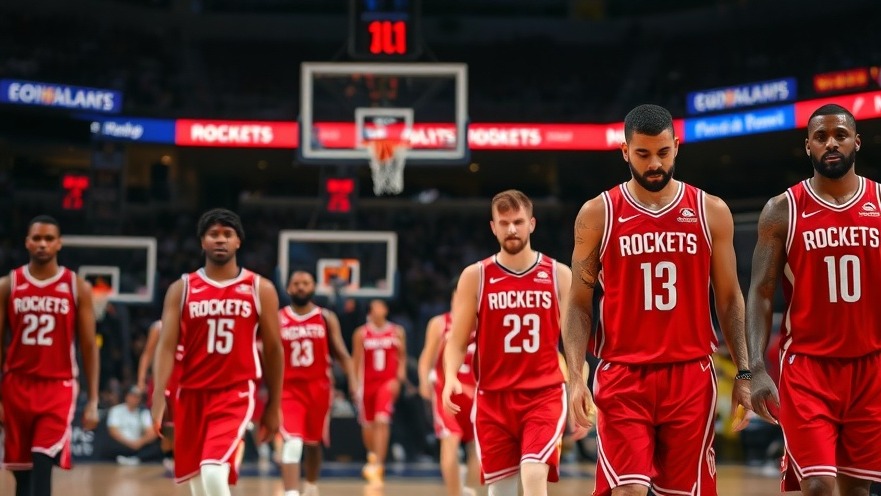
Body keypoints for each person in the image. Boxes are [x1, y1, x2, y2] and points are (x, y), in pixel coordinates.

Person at [561, 104, 751, 496]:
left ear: (677, 147)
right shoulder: (598, 213)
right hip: (623, 375)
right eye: (643, 154)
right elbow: (579, 302)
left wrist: (745, 373)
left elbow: (730, 299)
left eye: (663, 153)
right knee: (627, 490)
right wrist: (576, 376)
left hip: (690, 375)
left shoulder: (710, 211)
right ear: (625, 151)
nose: (654, 164)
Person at [747, 104, 881, 495]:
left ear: (856, 141)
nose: (831, 143)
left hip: (870, 367)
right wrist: (754, 368)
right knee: (819, 484)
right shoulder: (782, 210)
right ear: (808, 147)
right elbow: (760, 291)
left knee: (856, 489)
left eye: (840, 134)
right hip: (808, 369)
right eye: (820, 137)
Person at [442, 189, 572, 496]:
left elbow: (573, 341)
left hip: (543, 393)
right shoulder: (476, 276)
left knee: (533, 470)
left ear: (532, 224)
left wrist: (580, 384)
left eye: (518, 221)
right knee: (500, 489)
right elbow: (457, 340)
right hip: (492, 398)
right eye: (504, 222)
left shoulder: (558, 274)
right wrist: (450, 377)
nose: (511, 229)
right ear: (493, 227)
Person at [150, 208, 283, 496]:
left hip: (234, 392)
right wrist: (159, 394)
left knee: (213, 472)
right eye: (213, 234)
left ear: (238, 242)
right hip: (190, 394)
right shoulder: (181, 288)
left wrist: (274, 404)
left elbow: (274, 349)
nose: (220, 240)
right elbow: (166, 346)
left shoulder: (260, 288)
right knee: (198, 484)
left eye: (227, 234)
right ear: (202, 242)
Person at [0, 215, 100, 496]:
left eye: (48, 239)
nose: (42, 244)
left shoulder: (76, 286)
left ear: (59, 244)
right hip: (16, 385)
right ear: (27, 242)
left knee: (43, 461)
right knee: (22, 475)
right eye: (37, 238)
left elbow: (89, 346)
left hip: (58, 386)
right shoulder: (9, 285)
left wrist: (93, 400)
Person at [277, 270, 355, 496]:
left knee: (313, 444)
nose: (301, 287)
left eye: (306, 283)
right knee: (292, 440)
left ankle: (311, 486)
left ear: (313, 287)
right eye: (296, 283)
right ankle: (291, 492)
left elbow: (341, 352)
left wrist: (353, 381)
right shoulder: (278, 318)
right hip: (288, 389)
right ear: (289, 288)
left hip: (318, 389)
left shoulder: (326, 317)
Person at [417, 280, 479, 496]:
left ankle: (468, 489)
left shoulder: (481, 322)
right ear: (454, 296)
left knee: (475, 448)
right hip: (446, 391)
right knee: (449, 441)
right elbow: (427, 356)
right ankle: (454, 493)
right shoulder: (440, 323)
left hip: (475, 392)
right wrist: (424, 381)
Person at [352, 299, 407, 485]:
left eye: (382, 306)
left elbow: (402, 358)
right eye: (375, 306)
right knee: (368, 426)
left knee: (382, 421)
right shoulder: (361, 333)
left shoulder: (397, 331)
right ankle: (373, 456)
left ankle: (379, 466)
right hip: (367, 384)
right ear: (370, 310)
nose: (379, 309)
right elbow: (356, 361)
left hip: (387, 383)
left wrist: (398, 380)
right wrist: (354, 383)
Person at [136, 319, 181, 472]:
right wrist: (141, 379)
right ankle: (171, 456)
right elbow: (147, 354)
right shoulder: (158, 327)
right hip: (162, 378)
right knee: (163, 422)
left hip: (182, 378)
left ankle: (179, 457)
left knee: (181, 421)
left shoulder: (192, 320)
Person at [104, 386, 161, 465]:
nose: (134, 399)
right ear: (126, 396)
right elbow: (113, 431)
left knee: (156, 447)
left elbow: (152, 433)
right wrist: (129, 442)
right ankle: (130, 458)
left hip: (138, 444)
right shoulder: (116, 410)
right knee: (108, 445)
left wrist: (139, 442)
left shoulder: (143, 412)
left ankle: (136, 459)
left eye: (137, 397)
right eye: (132, 396)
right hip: (122, 443)